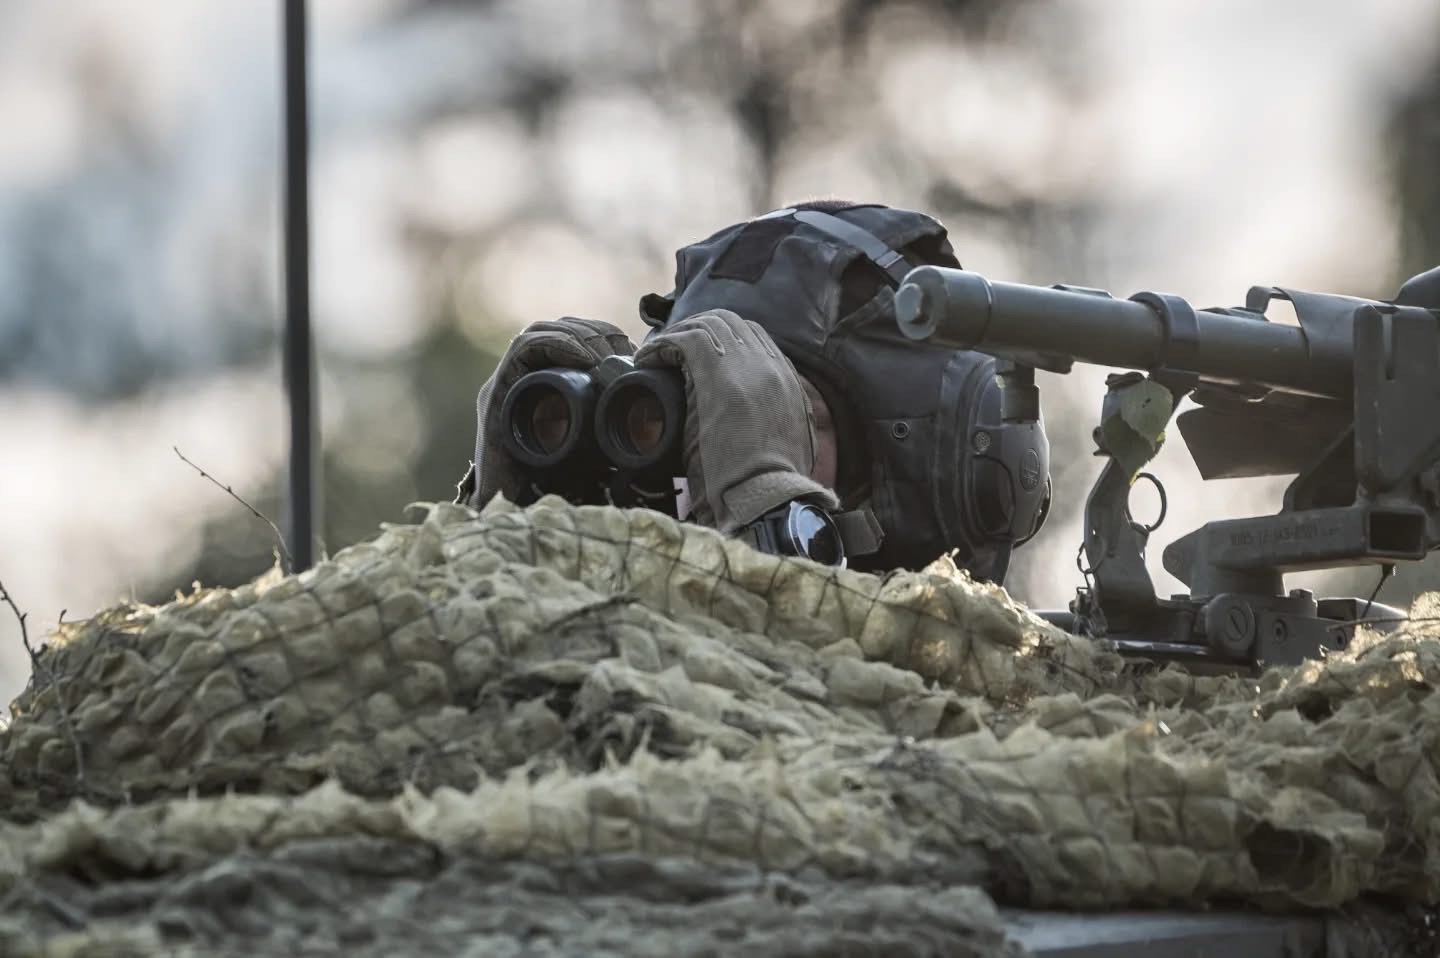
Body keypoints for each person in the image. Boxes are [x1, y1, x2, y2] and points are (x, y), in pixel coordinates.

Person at [457, 200, 1051, 585]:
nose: (726, 444)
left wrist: (768, 513)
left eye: (789, 408)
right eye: (710, 406)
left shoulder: (1031, 697)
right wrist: (503, 524)